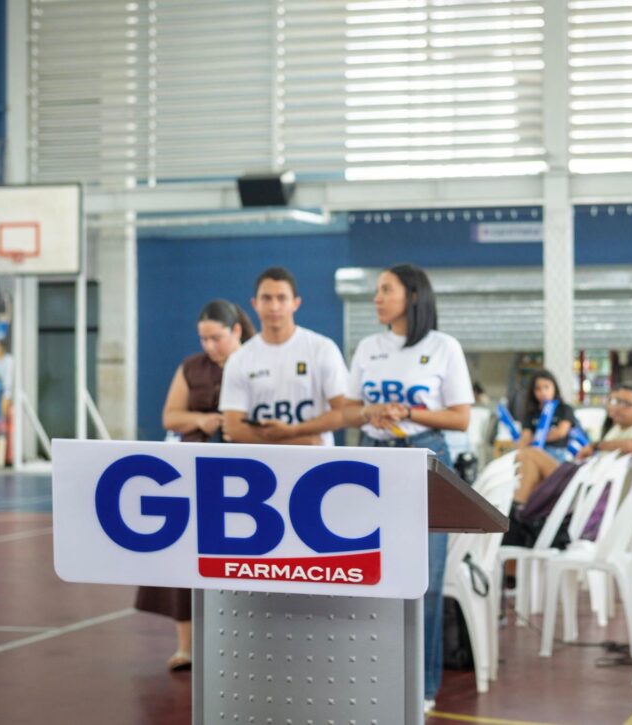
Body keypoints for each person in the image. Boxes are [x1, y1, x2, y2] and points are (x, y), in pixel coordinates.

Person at [341, 263, 474, 714]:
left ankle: (422, 684)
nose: (376, 298)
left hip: (424, 459)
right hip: (370, 459)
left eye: (385, 290)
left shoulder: (443, 347)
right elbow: (350, 406)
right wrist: (369, 413)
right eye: (376, 290)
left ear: (412, 296)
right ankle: (368, 672)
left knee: (426, 579)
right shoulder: (367, 347)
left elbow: (459, 417)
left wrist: (407, 413)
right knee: (365, 572)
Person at [136, 299, 254, 672]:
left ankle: (243, 641)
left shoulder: (256, 362)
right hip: (195, 471)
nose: (208, 346)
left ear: (235, 331)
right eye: (202, 339)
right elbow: (171, 415)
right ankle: (186, 646)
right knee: (184, 559)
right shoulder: (191, 368)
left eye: (215, 338)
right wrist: (200, 420)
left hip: (245, 474)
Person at [220, 267, 348, 446]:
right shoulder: (239, 359)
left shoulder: (322, 348)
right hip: (262, 464)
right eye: (266, 298)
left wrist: (294, 430)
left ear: (296, 303)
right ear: (254, 303)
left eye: (281, 298)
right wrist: (297, 440)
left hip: (316, 463)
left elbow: (344, 412)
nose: (274, 306)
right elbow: (233, 428)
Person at [513, 383, 632, 504]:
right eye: (614, 401)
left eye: (625, 404)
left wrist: (595, 446)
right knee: (529, 463)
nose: (616, 408)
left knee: (530, 454)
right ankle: (522, 514)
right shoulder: (617, 428)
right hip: (588, 482)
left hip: (590, 491)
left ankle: (518, 514)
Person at [516, 369, 578, 461]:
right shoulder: (530, 413)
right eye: (538, 389)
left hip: (558, 453)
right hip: (535, 452)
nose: (543, 392)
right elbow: (525, 438)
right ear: (533, 392)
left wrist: (535, 439)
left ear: (554, 388)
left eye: (546, 387)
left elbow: (560, 432)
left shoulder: (565, 409)